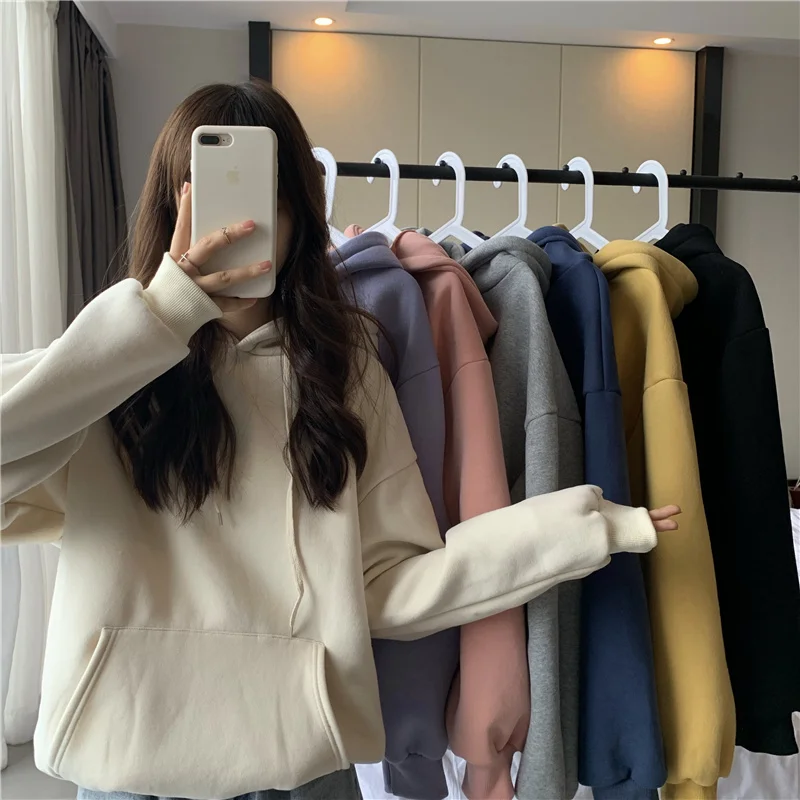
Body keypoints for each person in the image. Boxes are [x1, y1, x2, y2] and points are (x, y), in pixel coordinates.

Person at [0, 82, 679, 800]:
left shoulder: (344, 367)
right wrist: (163, 316)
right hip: (125, 756)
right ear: (172, 210)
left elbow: (389, 584)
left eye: (267, 199)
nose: (238, 226)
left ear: (299, 217)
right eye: (211, 197)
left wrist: (578, 527)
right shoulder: (106, 365)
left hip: (299, 763)